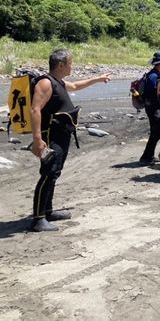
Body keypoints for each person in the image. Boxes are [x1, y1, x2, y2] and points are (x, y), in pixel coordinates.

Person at [30, 49, 110, 232]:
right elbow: (35, 110)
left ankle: (47, 211)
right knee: (48, 173)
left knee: (55, 172)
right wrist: (37, 140)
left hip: (61, 134)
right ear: (60, 65)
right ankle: (38, 219)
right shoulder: (45, 83)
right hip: (50, 135)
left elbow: (75, 86)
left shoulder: (58, 82)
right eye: (70, 63)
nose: (71, 66)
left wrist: (97, 79)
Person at [139, 51, 160, 165]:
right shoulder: (154, 76)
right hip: (154, 108)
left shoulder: (153, 74)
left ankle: (148, 156)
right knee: (157, 132)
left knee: (156, 132)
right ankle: (146, 156)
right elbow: (155, 95)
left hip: (151, 107)